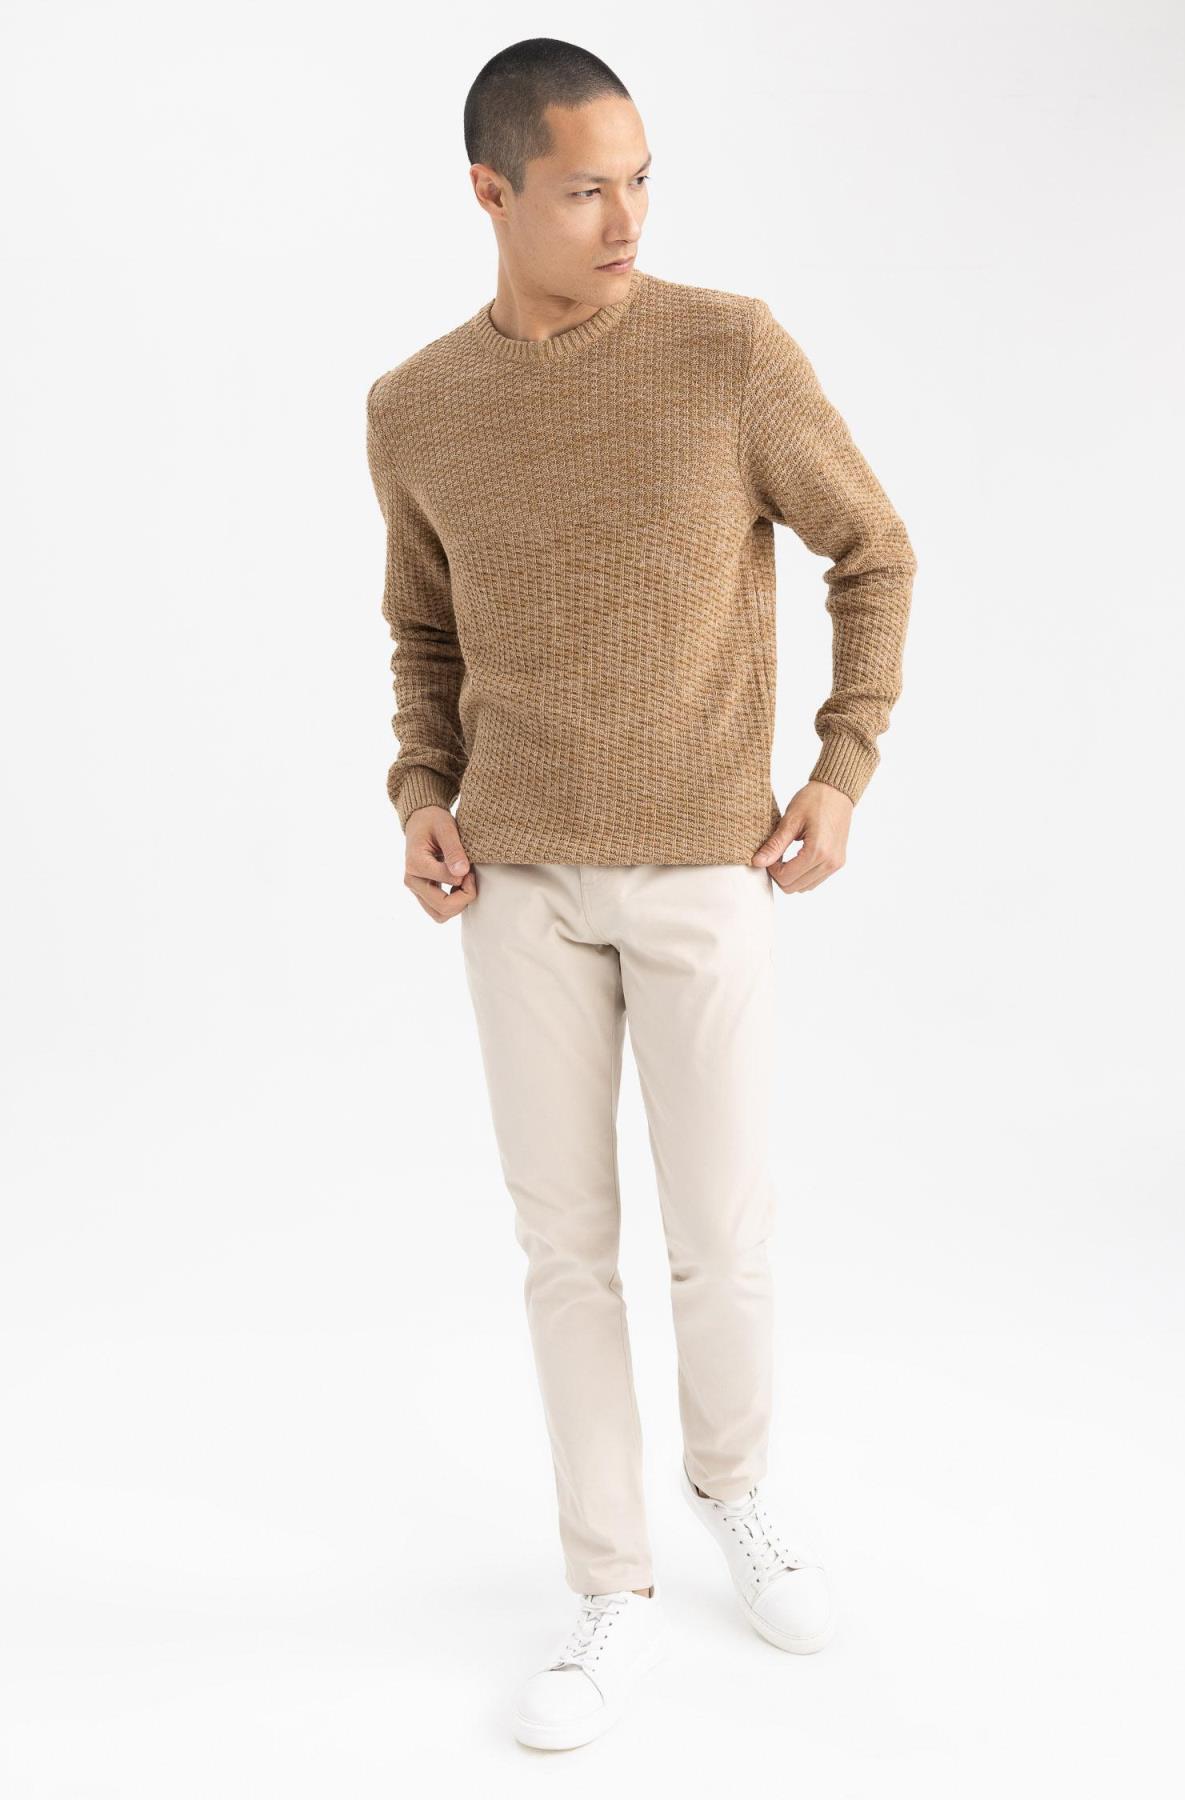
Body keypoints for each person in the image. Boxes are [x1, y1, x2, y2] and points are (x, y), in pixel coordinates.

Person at [365, 36, 917, 1752]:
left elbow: (873, 548)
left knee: (722, 1235)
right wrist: (420, 793)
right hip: (517, 886)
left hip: (705, 866)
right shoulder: (415, 406)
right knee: (565, 1252)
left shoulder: (725, 350)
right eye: (587, 188)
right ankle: (611, 1584)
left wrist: (842, 764)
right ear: (491, 193)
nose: (628, 221)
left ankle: (733, 1491)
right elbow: (424, 638)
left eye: (644, 181)